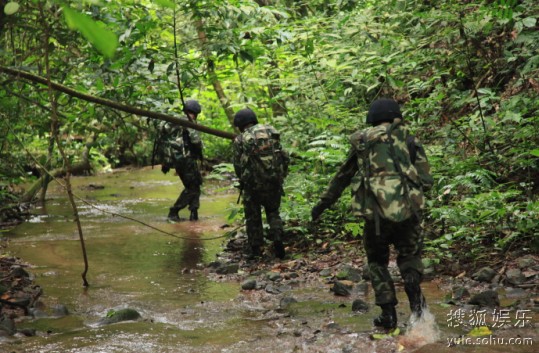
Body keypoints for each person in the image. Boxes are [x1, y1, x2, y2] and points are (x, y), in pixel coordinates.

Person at [311, 98, 433, 329]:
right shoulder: (408, 138)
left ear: (372, 118)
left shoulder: (363, 141)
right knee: (410, 257)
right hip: (408, 213)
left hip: (375, 216)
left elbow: (342, 176)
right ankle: (416, 304)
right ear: (396, 116)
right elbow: (426, 180)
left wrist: (323, 204)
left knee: (377, 262)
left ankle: (388, 315)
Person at [232, 108, 289, 259]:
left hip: (253, 185)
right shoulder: (272, 131)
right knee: (273, 211)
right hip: (274, 181)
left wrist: (243, 180)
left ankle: (256, 249)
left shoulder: (241, 138)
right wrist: (281, 175)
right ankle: (278, 241)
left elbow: (237, 164)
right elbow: (283, 154)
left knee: (253, 215)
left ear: (241, 124)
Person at [160, 99, 204, 222]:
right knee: (192, 187)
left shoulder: (173, 122)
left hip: (175, 159)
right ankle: (174, 211)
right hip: (187, 158)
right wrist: (199, 153)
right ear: (195, 112)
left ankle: (194, 213)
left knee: (194, 184)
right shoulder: (188, 121)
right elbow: (195, 141)